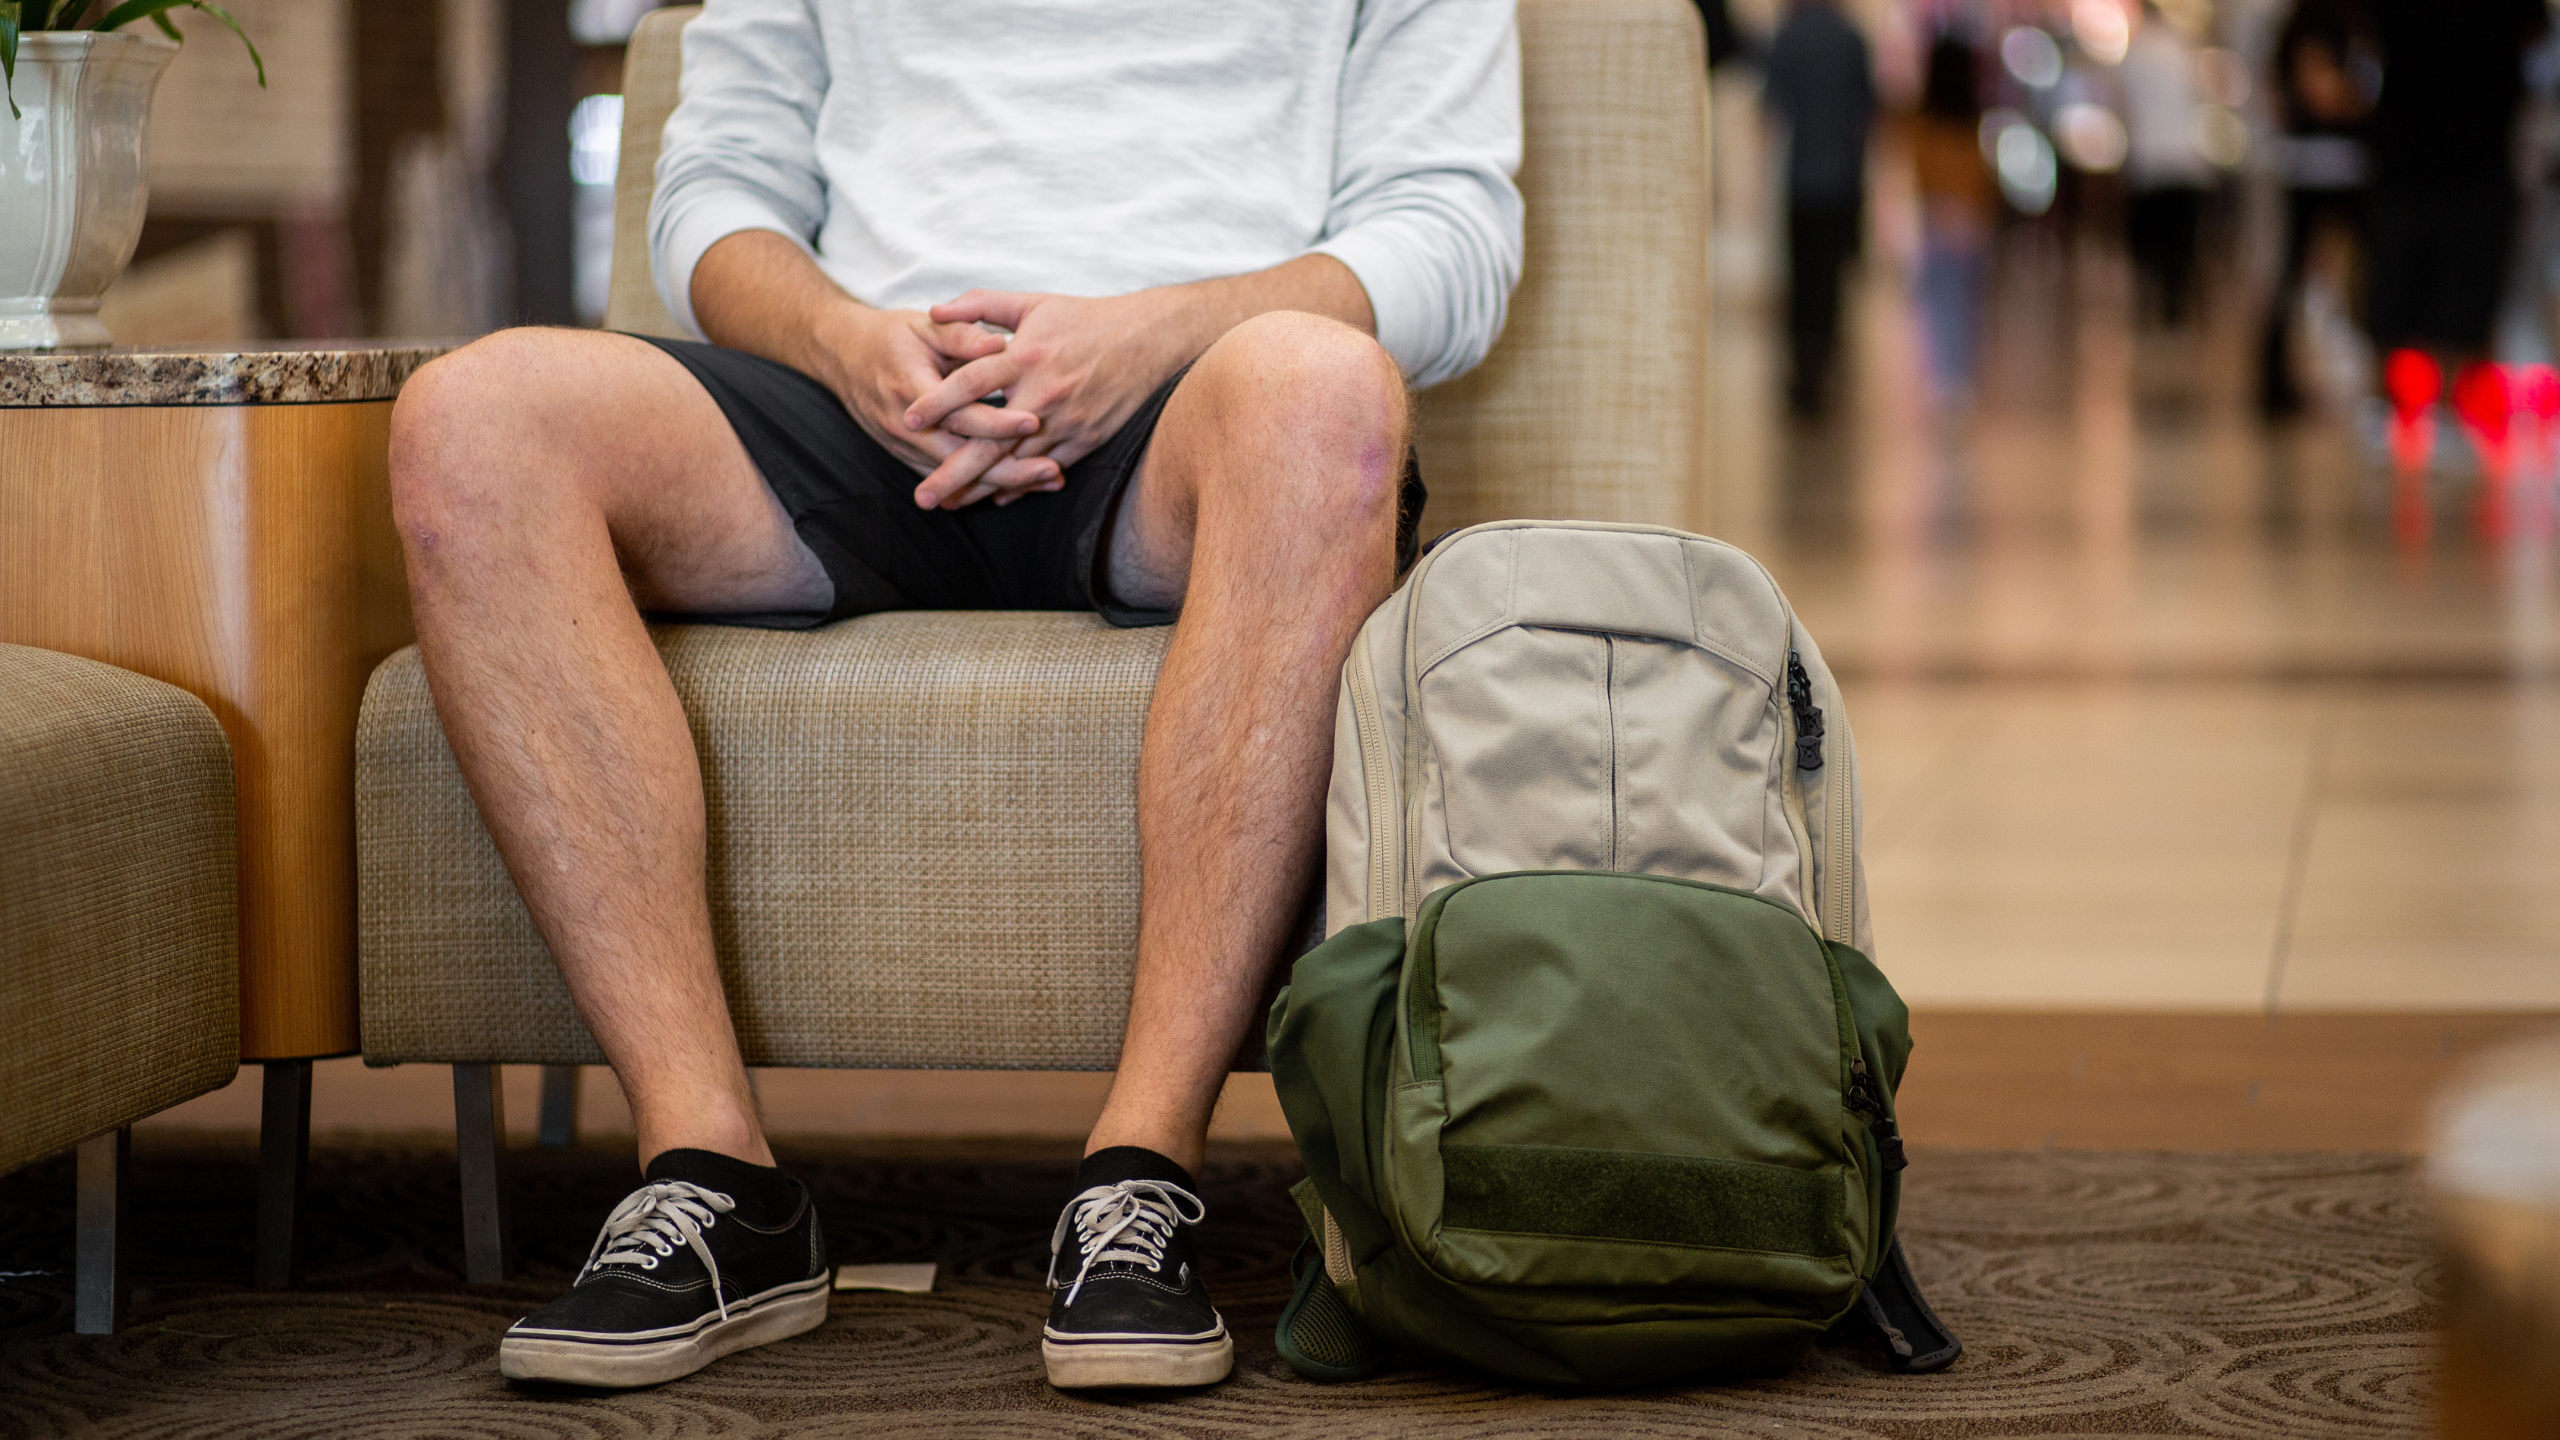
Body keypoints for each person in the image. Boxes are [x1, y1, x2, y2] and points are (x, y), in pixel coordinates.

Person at [386, 0, 1521, 1393]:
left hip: (1197, 408)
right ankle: (718, 1183)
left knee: (1325, 390)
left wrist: (1149, 334)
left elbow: (1450, 243)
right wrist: (842, 341)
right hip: (859, 401)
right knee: (472, 417)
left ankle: (1140, 1179)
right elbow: (717, 200)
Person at [2359, 0, 2547, 384]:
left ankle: (2430, 421)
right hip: (2438, 159)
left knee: (2448, 315)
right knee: (2409, 314)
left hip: (2452, 160)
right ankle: (2417, 421)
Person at [2256, 0, 2374, 415]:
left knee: (2325, 268)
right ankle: (2275, 383)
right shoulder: (2319, 19)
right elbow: (2319, 87)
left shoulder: (2314, 19)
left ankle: (2374, 368)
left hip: (2334, 158)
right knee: (2303, 267)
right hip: (2323, 160)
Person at [1764, 0, 1876, 415]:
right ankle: (1823, 363)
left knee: (1802, 279)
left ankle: (1804, 368)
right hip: (1841, 179)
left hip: (1801, 179)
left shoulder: (1788, 36)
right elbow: (1868, 111)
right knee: (1829, 280)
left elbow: (1772, 110)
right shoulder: (1851, 39)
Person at [1909, 30, 1995, 403]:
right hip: (1970, 228)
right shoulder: (1973, 124)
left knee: (1941, 305)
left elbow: (1920, 175)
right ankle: (1958, 378)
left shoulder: (1923, 125)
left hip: (1937, 224)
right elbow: (1982, 180)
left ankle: (1946, 381)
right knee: (1965, 307)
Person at [2120, 3, 2212, 326]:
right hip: (2184, 163)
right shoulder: (2182, 49)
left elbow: (2124, 106)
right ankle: (2176, 312)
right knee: (2180, 249)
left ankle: (2153, 309)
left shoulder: (2136, 53)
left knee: (2150, 249)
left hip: (2149, 163)